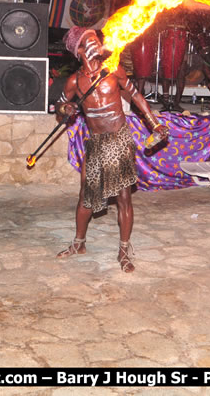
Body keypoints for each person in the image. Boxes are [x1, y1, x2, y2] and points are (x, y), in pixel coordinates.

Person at [55, 26, 168, 273]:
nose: (98, 43)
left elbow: (137, 96)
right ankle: (79, 243)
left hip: (118, 139)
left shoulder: (113, 70)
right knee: (86, 195)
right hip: (96, 142)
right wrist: (67, 110)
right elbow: (60, 107)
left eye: (97, 39)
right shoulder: (75, 81)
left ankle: (124, 249)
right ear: (80, 50)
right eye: (91, 40)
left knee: (123, 197)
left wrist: (155, 124)